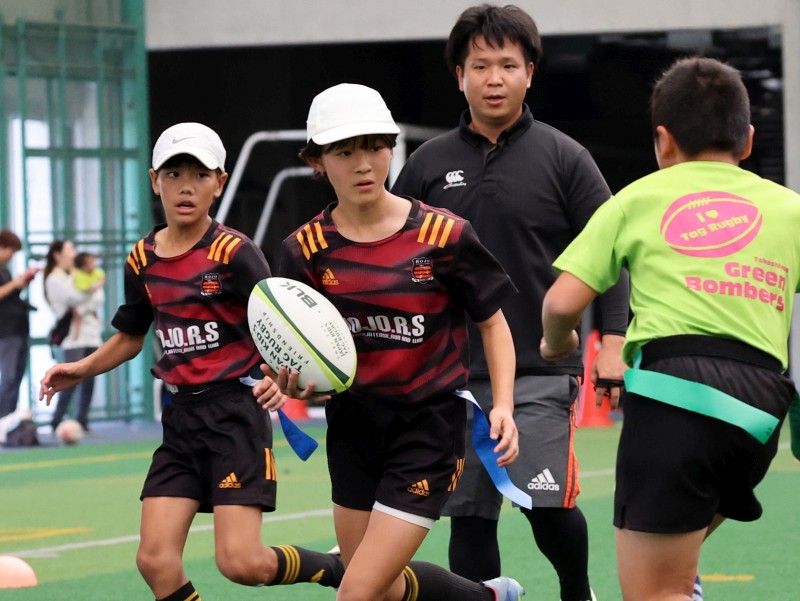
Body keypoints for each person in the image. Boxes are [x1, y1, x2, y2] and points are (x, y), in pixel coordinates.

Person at [40, 122, 345, 601]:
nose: (186, 186)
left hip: (234, 416)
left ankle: (336, 568)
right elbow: (131, 335)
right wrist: (79, 369)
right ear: (154, 180)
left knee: (241, 563)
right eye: (174, 174)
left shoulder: (235, 253)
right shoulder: (141, 258)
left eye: (200, 175)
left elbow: (282, 327)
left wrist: (275, 378)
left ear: (219, 183)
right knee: (155, 560)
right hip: (180, 420)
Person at [391, 5, 629, 601]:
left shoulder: (565, 157)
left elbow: (612, 254)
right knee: (469, 515)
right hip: (452, 376)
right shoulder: (426, 164)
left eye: (507, 65)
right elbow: (391, 257)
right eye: (479, 66)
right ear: (460, 76)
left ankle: (577, 591)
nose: (493, 79)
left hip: (540, 366)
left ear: (529, 73)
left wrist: (615, 343)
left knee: (546, 503)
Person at [541, 56, 800, 601]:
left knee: (656, 591)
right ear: (748, 140)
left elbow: (561, 302)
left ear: (663, 142)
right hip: (759, 411)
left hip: (676, 400)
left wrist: (557, 342)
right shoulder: (789, 208)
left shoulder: (637, 198)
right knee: (676, 567)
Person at [263, 82, 523, 601]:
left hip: (428, 431)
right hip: (352, 430)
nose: (363, 164)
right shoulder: (304, 250)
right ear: (317, 162)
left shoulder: (444, 235)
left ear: (391, 148)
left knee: (355, 592)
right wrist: (290, 382)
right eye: (344, 152)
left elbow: (494, 323)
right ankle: (486, 598)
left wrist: (504, 406)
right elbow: (297, 352)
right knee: (379, 589)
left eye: (374, 147)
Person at [43, 241, 104, 433]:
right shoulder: (54, 279)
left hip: (91, 333)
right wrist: (89, 292)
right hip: (72, 337)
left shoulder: (79, 274)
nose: (74, 253)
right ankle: (56, 421)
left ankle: (82, 420)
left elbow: (98, 298)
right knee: (69, 379)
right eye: (70, 249)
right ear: (57, 254)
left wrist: (88, 295)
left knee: (90, 379)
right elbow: (73, 298)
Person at [0, 230, 38, 418]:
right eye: (11, 251)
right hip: (6, 331)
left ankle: (9, 417)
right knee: (8, 377)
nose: (11, 256)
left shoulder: (4, 270)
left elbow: (10, 296)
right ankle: (3, 417)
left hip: (18, 328)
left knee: (16, 376)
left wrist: (22, 282)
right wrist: (15, 283)